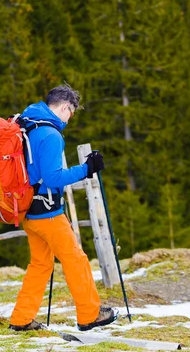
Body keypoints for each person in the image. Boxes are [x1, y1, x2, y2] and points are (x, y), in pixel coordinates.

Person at [9, 84, 117, 332]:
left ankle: (21, 319)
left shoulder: (28, 125)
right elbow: (52, 178)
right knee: (75, 260)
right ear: (66, 106)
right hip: (48, 213)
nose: (70, 119)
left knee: (40, 265)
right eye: (72, 113)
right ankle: (90, 315)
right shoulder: (50, 135)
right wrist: (86, 169)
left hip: (29, 212)